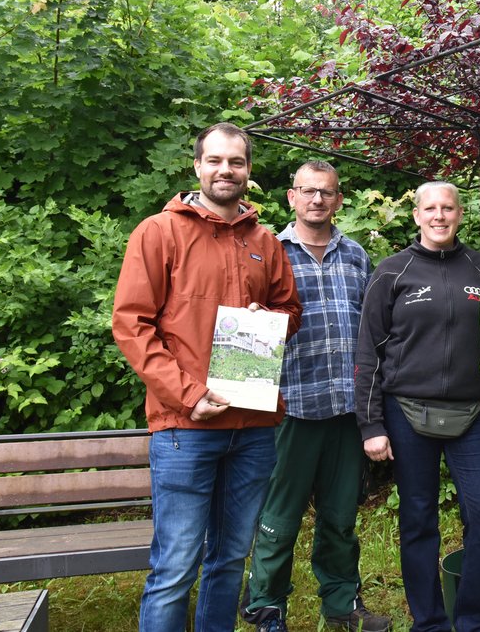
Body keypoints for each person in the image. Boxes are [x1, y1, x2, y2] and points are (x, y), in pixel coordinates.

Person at [112, 122, 302, 632]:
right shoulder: (159, 232)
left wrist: (268, 318)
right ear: (197, 166)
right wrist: (189, 394)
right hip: (186, 427)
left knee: (229, 561)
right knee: (176, 567)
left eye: (236, 162)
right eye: (215, 160)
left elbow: (290, 311)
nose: (225, 170)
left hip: (253, 427)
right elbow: (131, 325)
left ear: (248, 171)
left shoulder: (264, 240)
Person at [240, 161, 389, 632]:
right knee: (278, 518)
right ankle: (266, 607)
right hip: (290, 407)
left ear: (339, 200)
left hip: (346, 408)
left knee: (340, 517)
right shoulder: (266, 252)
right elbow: (247, 326)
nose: (317, 200)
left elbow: (373, 331)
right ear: (291, 197)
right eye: (308, 191)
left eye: (326, 192)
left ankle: (343, 604)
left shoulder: (356, 256)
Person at [355, 181, 480, 632]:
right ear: (417, 215)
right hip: (406, 413)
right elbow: (368, 352)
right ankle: (430, 621)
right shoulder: (391, 272)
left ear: (460, 214)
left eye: (448, 208)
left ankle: (475, 618)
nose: (439, 216)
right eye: (430, 208)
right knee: (418, 519)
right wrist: (371, 425)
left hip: (475, 414)